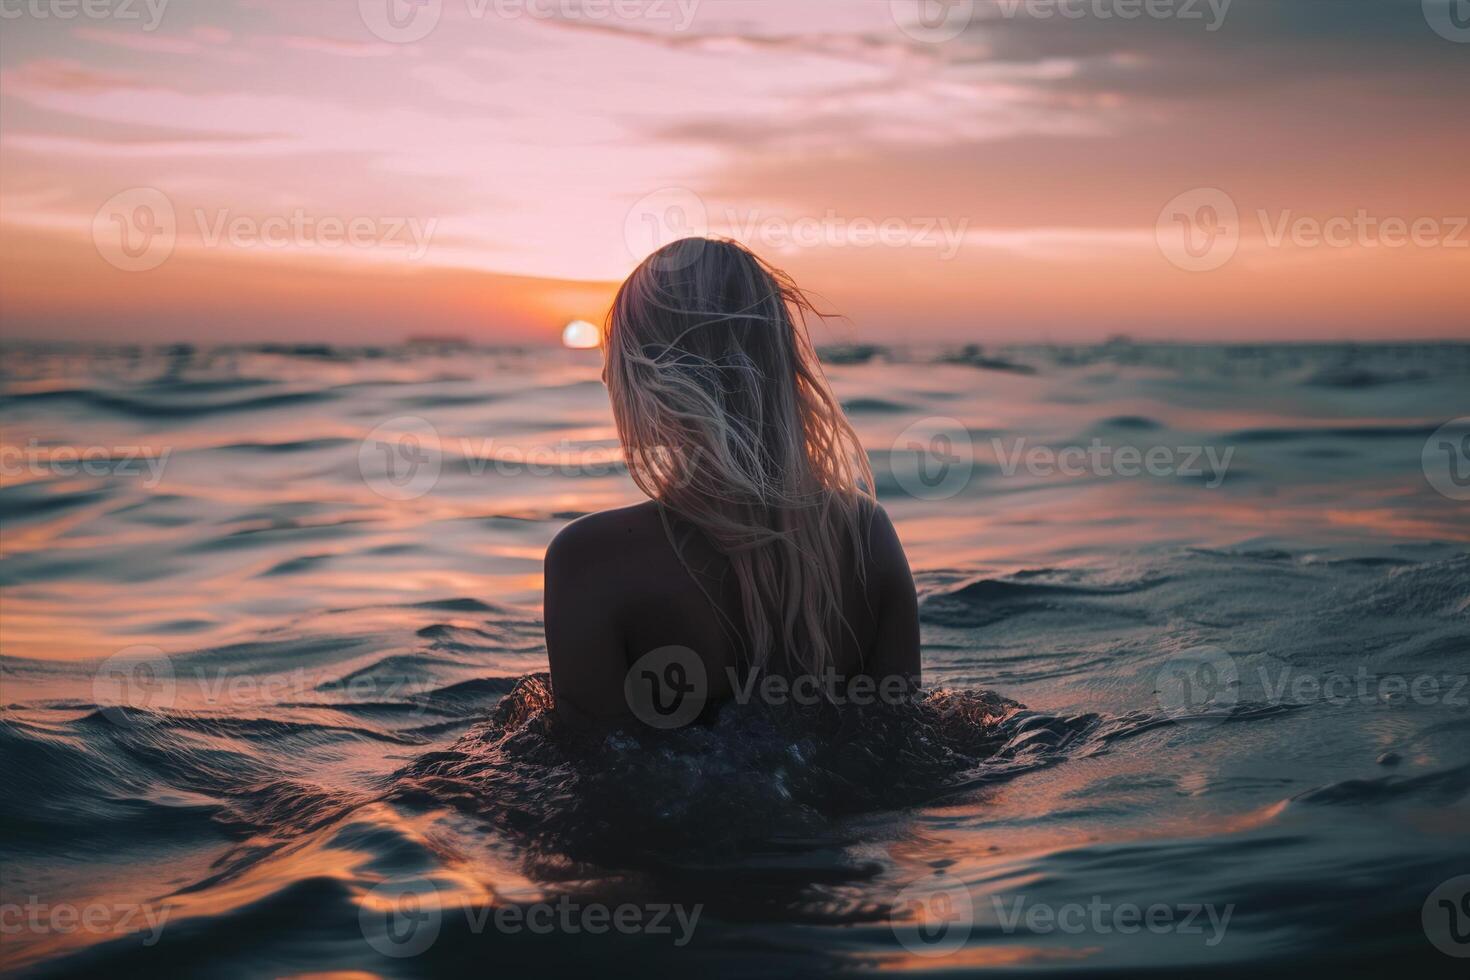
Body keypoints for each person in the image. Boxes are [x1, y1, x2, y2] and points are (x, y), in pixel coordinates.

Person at [544, 237, 919, 727]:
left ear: (645, 381)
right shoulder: (867, 536)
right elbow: (904, 738)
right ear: (783, 367)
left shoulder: (589, 560)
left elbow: (589, 773)